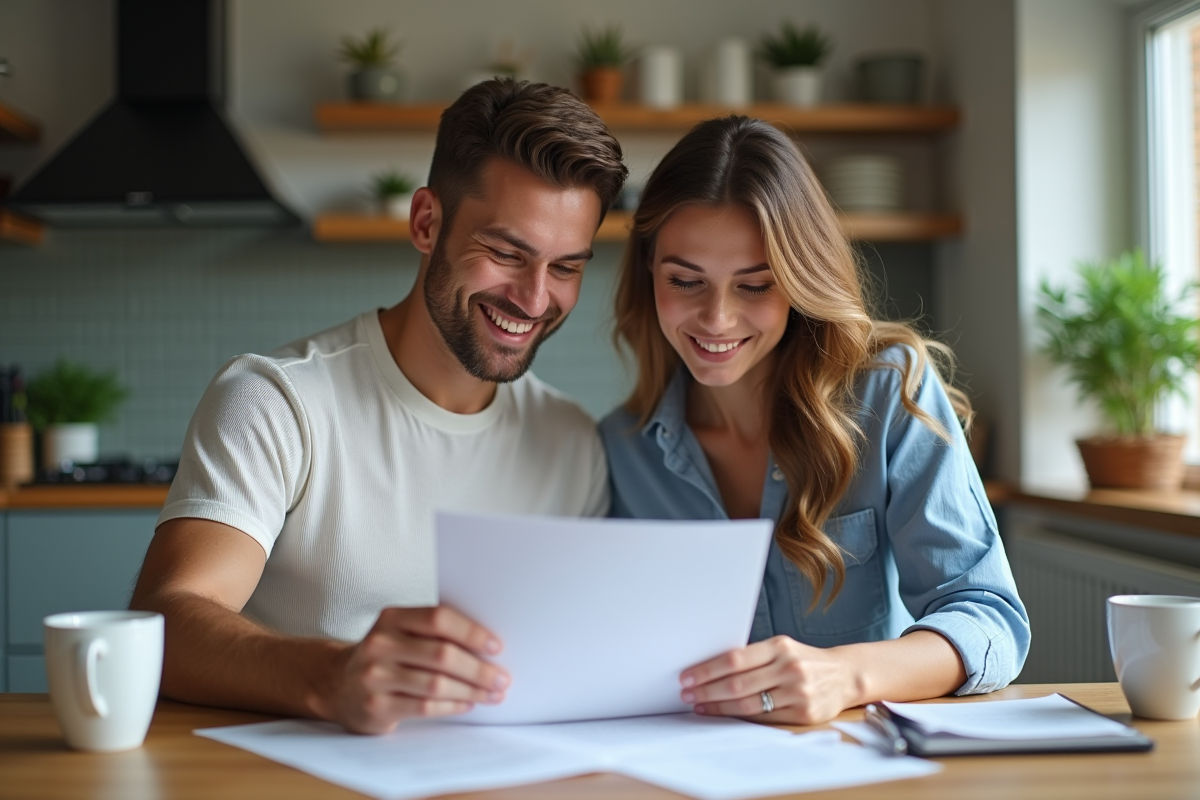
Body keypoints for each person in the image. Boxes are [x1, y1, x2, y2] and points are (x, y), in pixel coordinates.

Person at [130, 79, 628, 734]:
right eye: (507, 253)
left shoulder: (572, 443)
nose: (535, 299)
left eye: (566, 267)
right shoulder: (278, 401)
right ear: (426, 222)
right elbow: (168, 617)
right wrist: (332, 678)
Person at [599, 116, 1029, 725]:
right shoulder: (622, 448)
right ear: (649, 273)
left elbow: (990, 620)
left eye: (754, 286)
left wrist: (847, 676)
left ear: (800, 281)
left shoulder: (888, 393)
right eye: (686, 280)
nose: (716, 318)